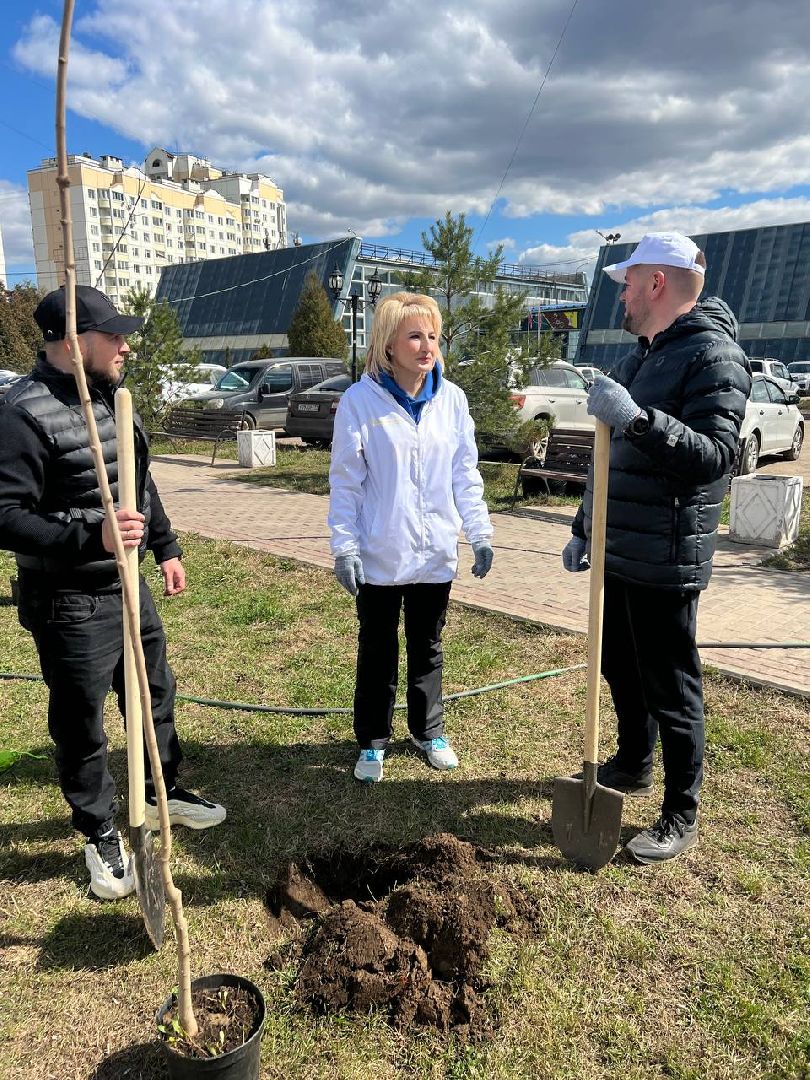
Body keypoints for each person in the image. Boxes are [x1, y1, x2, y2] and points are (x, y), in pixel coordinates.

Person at [0, 285, 226, 901]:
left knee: (154, 689)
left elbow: (137, 478)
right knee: (83, 720)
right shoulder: (21, 414)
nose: (126, 344)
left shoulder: (110, 396)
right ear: (73, 343)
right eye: (114, 335)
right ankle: (98, 826)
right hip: (68, 598)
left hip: (128, 582)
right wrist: (88, 535)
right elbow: (6, 514)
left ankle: (160, 789)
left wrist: (166, 545)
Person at [562, 233, 750, 864]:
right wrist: (586, 525)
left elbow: (715, 459)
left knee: (670, 684)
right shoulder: (641, 356)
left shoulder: (713, 358)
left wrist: (641, 418)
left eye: (628, 280)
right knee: (619, 665)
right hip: (620, 550)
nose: (621, 291)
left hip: (666, 557)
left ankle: (680, 812)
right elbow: (605, 456)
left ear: (658, 284)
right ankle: (634, 761)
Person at [328, 291, 494, 783]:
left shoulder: (452, 400)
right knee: (377, 648)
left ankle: (428, 730)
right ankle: (373, 740)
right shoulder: (360, 402)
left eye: (433, 336)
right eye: (415, 336)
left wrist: (479, 532)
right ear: (388, 344)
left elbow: (466, 475)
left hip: (435, 554)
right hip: (381, 553)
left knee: (428, 645)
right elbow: (346, 482)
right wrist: (345, 547)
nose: (427, 346)